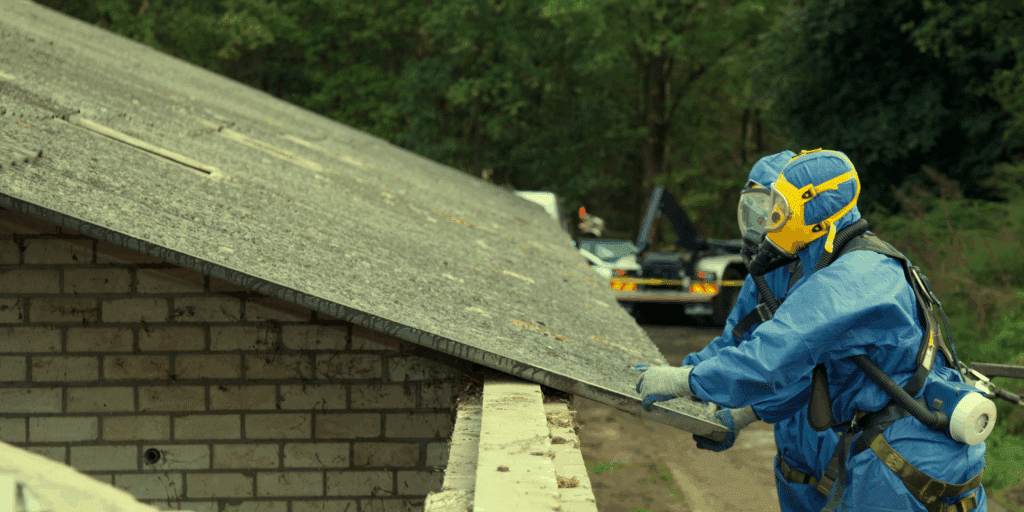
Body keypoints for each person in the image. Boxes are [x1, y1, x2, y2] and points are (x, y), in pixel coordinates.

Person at [636, 149, 987, 511]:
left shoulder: (852, 277)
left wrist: (689, 382)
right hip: (895, 447)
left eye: (778, 209)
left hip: (902, 458)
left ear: (812, 212)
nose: (768, 222)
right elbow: (773, 354)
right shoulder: (841, 261)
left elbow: (776, 357)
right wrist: (697, 381)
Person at [679, 150, 841, 512]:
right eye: (751, 210)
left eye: (768, 212)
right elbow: (734, 341)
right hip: (795, 462)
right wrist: (683, 375)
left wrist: (742, 412)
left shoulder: (833, 274)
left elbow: (808, 371)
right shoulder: (766, 273)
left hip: (844, 457)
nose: (758, 226)